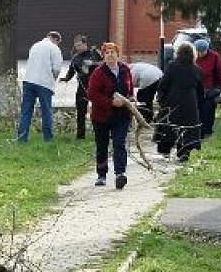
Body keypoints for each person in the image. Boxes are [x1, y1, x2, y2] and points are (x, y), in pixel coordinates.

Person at [86, 42, 134, 189]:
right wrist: (111, 102)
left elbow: (130, 88)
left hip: (121, 115)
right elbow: (92, 94)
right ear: (103, 56)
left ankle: (120, 173)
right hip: (102, 115)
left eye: (113, 52)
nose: (110, 55)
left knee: (119, 143)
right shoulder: (98, 73)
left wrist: (131, 99)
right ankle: (101, 174)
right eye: (107, 53)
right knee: (102, 145)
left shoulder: (125, 70)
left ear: (118, 54)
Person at [154, 42, 204, 162]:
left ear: (178, 53)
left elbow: (163, 84)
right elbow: (200, 89)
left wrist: (161, 97)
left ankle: (165, 150)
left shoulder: (172, 66)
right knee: (187, 127)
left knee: (169, 125)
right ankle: (184, 152)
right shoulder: (197, 69)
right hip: (190, 102)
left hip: (173, 100)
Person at [17, 31, 65, 142]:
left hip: (28, 81)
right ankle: (48, 139)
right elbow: (57, 69)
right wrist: (53, 78)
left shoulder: (35, 45)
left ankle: (22, 137)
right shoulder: (55, 48)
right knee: (46, 111)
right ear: (56, 40)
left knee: (26, 111)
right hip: (44, 83)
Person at [59, 34, 101, 139]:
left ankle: (99, 133)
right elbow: (71, 72)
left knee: (99, 111)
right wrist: (66, 78)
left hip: (96, 87)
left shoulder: (94, 53)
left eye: (79, 45)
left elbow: (103, 64)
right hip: (82, 87)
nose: (77, 47)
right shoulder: (75, 58)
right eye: (76, 45)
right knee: (81, 111)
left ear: (85, 44)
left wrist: (91, 64)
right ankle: (80, 136)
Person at [192, 38, 221, 139]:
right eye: (198, 52)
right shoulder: (192, 57)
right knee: (198, 110)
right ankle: (198, 132)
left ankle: (207, 131)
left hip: (212, 88)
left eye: (202, 51)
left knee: (209, 109)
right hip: (197, 89)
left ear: (207, 49)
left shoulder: (215, 57)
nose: (200, 54)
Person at [125, 52, 163, 124]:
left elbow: (129, 87)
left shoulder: (128, 71)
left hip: (148, 77)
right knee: (149, 99)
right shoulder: (136, 66)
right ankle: (150, 117)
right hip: (159, 74)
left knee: (141, 99)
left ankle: (144, 119)